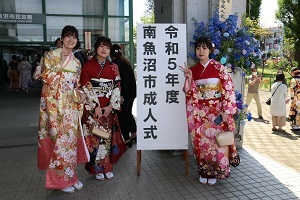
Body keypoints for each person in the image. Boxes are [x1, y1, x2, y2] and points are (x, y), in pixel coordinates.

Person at [179, 36, 240, 185]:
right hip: (200, 112)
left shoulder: (219, 68)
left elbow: (228, 89)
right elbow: (188, 92)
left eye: (204, 48)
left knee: (216, 144)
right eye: (198, 48)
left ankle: (216, 172)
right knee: (202, 144)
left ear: (210, 50)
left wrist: (226, 110)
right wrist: (188, 79)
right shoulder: (193, 69)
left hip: (217, 112)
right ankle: (204, 170)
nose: (201, 51)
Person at [37, 25, 87, 193]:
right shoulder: (51, 55)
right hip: (55, 107)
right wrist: (59, 64)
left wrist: (80, 94)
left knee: (70, 143)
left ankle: (71, 177)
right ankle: (60, 181)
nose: (71, 39)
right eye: (68, 36)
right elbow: (46, 77)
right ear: (62, 38)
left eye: (74, 37)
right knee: (59, 143)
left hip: (70, 106)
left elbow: (77, 84)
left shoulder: (77, 61)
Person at [80, 36, 126, 181]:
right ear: (96, 48)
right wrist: (95, 106)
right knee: (94, 139)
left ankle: (107, 167)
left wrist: (111, 106)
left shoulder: (113, 67)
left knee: (107, 140)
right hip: (94, 110)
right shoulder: (88, 66)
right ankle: (97, 169)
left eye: (107, 47)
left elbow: (117, 87)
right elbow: (86, 85)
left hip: (108, 110)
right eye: (101, 46)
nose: (104, 49)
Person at [111, 44, 137, 148]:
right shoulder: (125, 62)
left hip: (124, 94)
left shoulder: (115, 64)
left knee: (122, 116)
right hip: (131, 93)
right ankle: (134, 135)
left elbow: (121, 81)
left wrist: (121, 95)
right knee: (128, 114)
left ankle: (126, 139)